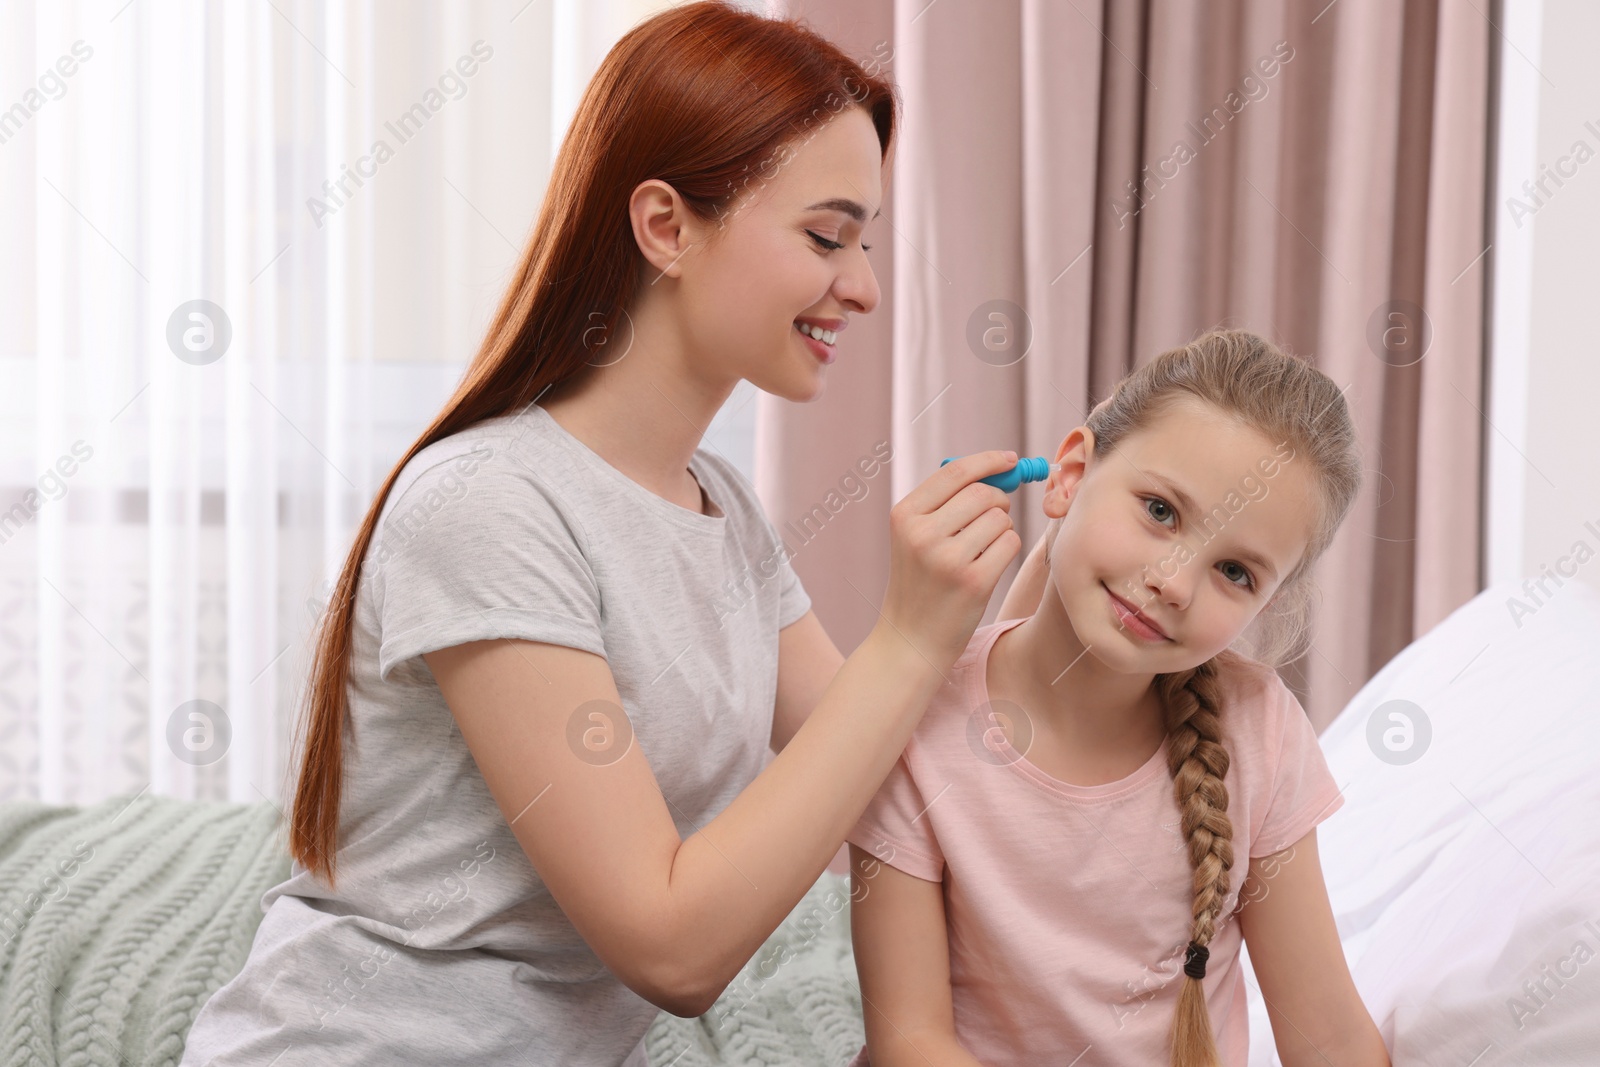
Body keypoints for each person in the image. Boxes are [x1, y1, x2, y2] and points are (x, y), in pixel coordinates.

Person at [179, 5, 1026, 1065]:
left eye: (864, 242)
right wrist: (908, 634)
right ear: (667, 226)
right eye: (825, 235)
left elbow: (897, 769)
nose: (860, 284)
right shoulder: (487, 501)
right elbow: (673, 950)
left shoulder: (722, 510)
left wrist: (1099, 578)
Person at [845, 330, 1392, 1067]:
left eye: (1234, 570)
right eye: (1160, 511)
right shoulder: (917, 719)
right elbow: (910, 1043)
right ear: (1070, 473)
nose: (1173, 581)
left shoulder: (1258, 731)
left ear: (1266, 604)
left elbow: (1327, 1039)